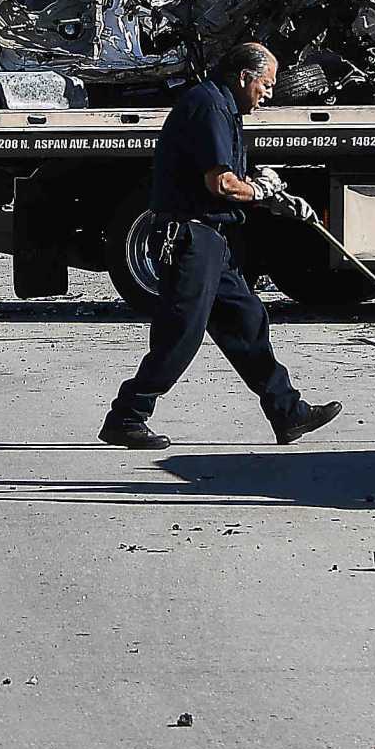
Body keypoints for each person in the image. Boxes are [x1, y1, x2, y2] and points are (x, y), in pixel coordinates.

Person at [101, 42, 343, 450]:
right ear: (244, 76)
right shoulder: (209, 106)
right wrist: (260, 190)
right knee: (180, 335)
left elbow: (233, 174)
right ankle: (126, 416)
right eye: (265, 84)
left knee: (247, 321)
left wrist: (278, 197)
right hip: (190, 238)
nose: (269, 93)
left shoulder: (225, 108)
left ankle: (287, 412)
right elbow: (223, 184)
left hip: (212, 239)